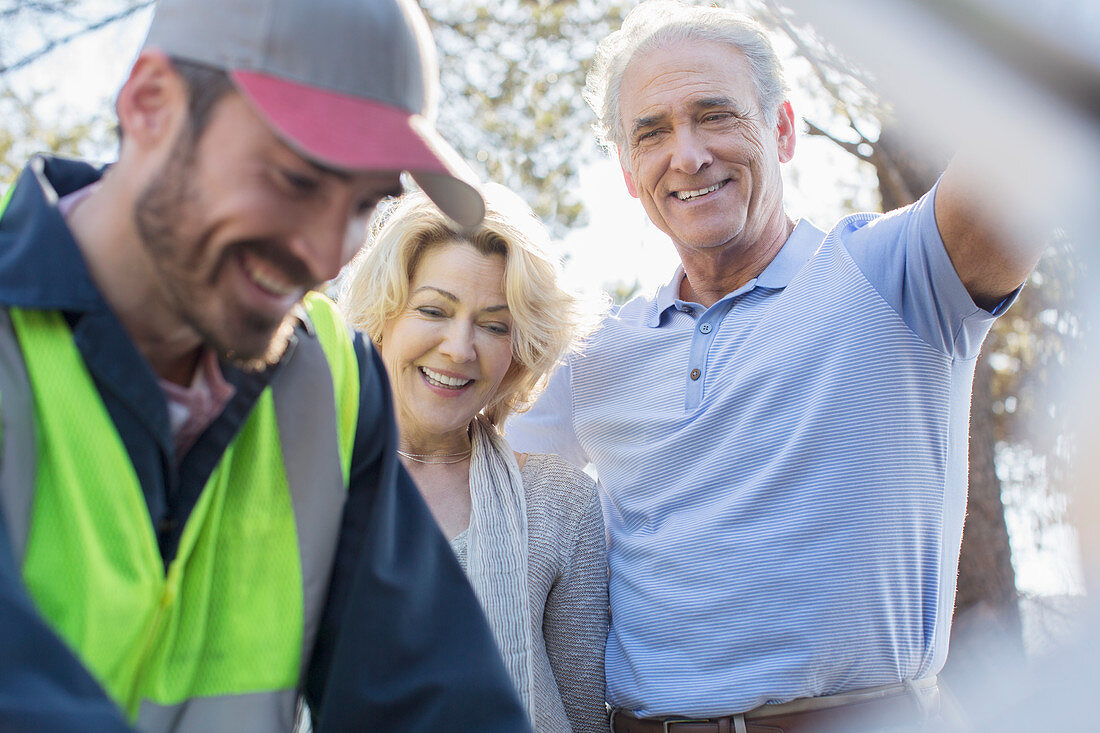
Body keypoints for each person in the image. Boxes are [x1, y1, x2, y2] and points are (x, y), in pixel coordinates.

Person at [506, 1, 1046, 731]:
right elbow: (461, 481)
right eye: (652, 132)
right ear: (630, 171)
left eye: (716, 115)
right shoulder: (593, 351)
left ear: (783, 130)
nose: (688, 154)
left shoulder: (896, 274)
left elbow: (1029, 136)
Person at [0, 0, 532, 730]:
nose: (323, 255)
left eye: (364, 204)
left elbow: (436, 702)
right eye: (297, 181)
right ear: (149, 103)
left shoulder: (335, 378)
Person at [341, 186, 608, 733]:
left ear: (519, 351)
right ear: (385, 313)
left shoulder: (559, 502)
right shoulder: (294, 472)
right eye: (433, 310)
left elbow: (584, 719)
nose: (459, 349)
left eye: (493, 324)